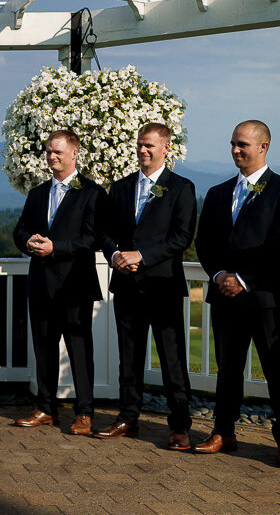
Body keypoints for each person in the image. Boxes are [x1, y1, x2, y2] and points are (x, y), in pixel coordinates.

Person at [97, 123, 196, 449]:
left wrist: (142, 255)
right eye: (140, 144)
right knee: (129, 356)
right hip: (126, 285)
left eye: (150, 145)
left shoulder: (181, 188)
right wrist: (115, 257)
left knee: (172, 359)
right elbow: (106, 232)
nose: (143, 150)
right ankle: (128, 418)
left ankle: (180, 425)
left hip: (163, 286)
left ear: (166, 147)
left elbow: (181, 238)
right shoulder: (121, 188)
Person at [194, 119, 280, 457]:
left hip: (265, 298)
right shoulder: (217, 193)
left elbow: (277, 247)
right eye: (232, 144)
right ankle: (223, 432)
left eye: (242, 144)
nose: (235, 150)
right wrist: (218, 276)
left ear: (263, 147)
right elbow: (205, 244)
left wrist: (243, 279)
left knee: (276, 369)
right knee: (227, 368)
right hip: (225, 297)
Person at [12, 129, 105, 435]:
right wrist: (28, 242)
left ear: (75, 153)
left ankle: (85, 412)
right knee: (44, 349)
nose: (52, 157)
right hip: (40, 284)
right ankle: (46, 408)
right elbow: (20, 230)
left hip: (74, 285)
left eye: (58, 152)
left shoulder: (92, 193)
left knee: (80, 351)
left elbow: (91, 238)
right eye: (49, 152)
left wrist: (56, 248)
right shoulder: (37, 193)